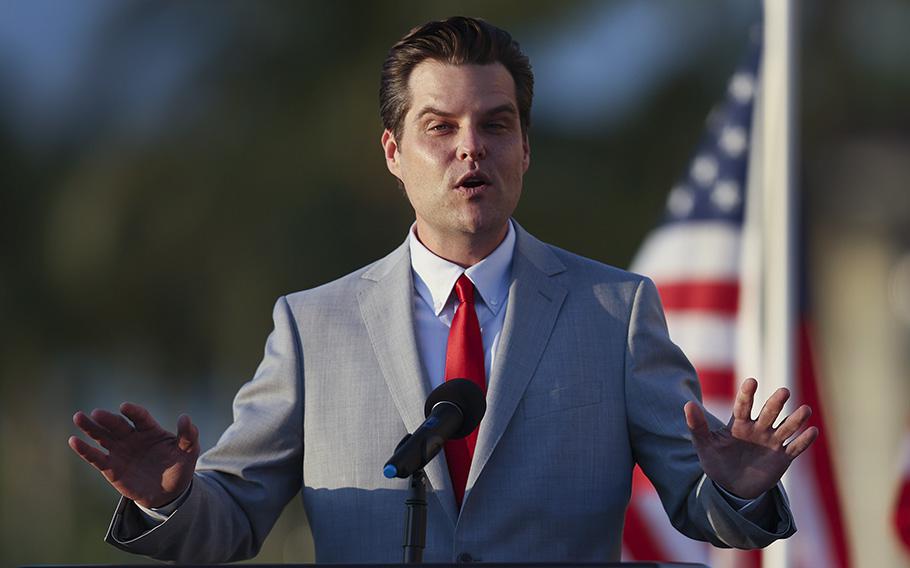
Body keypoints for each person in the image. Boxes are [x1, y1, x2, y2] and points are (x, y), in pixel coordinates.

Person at [69, 16, 818, 564]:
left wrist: (738, 491)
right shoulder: (312, 326)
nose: (471, 148)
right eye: (441, 127)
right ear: (394, 153)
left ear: (524, 149)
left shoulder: (614, 313)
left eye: (496, 125)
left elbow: (699, 506)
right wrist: (166, 498)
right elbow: (230, 520)